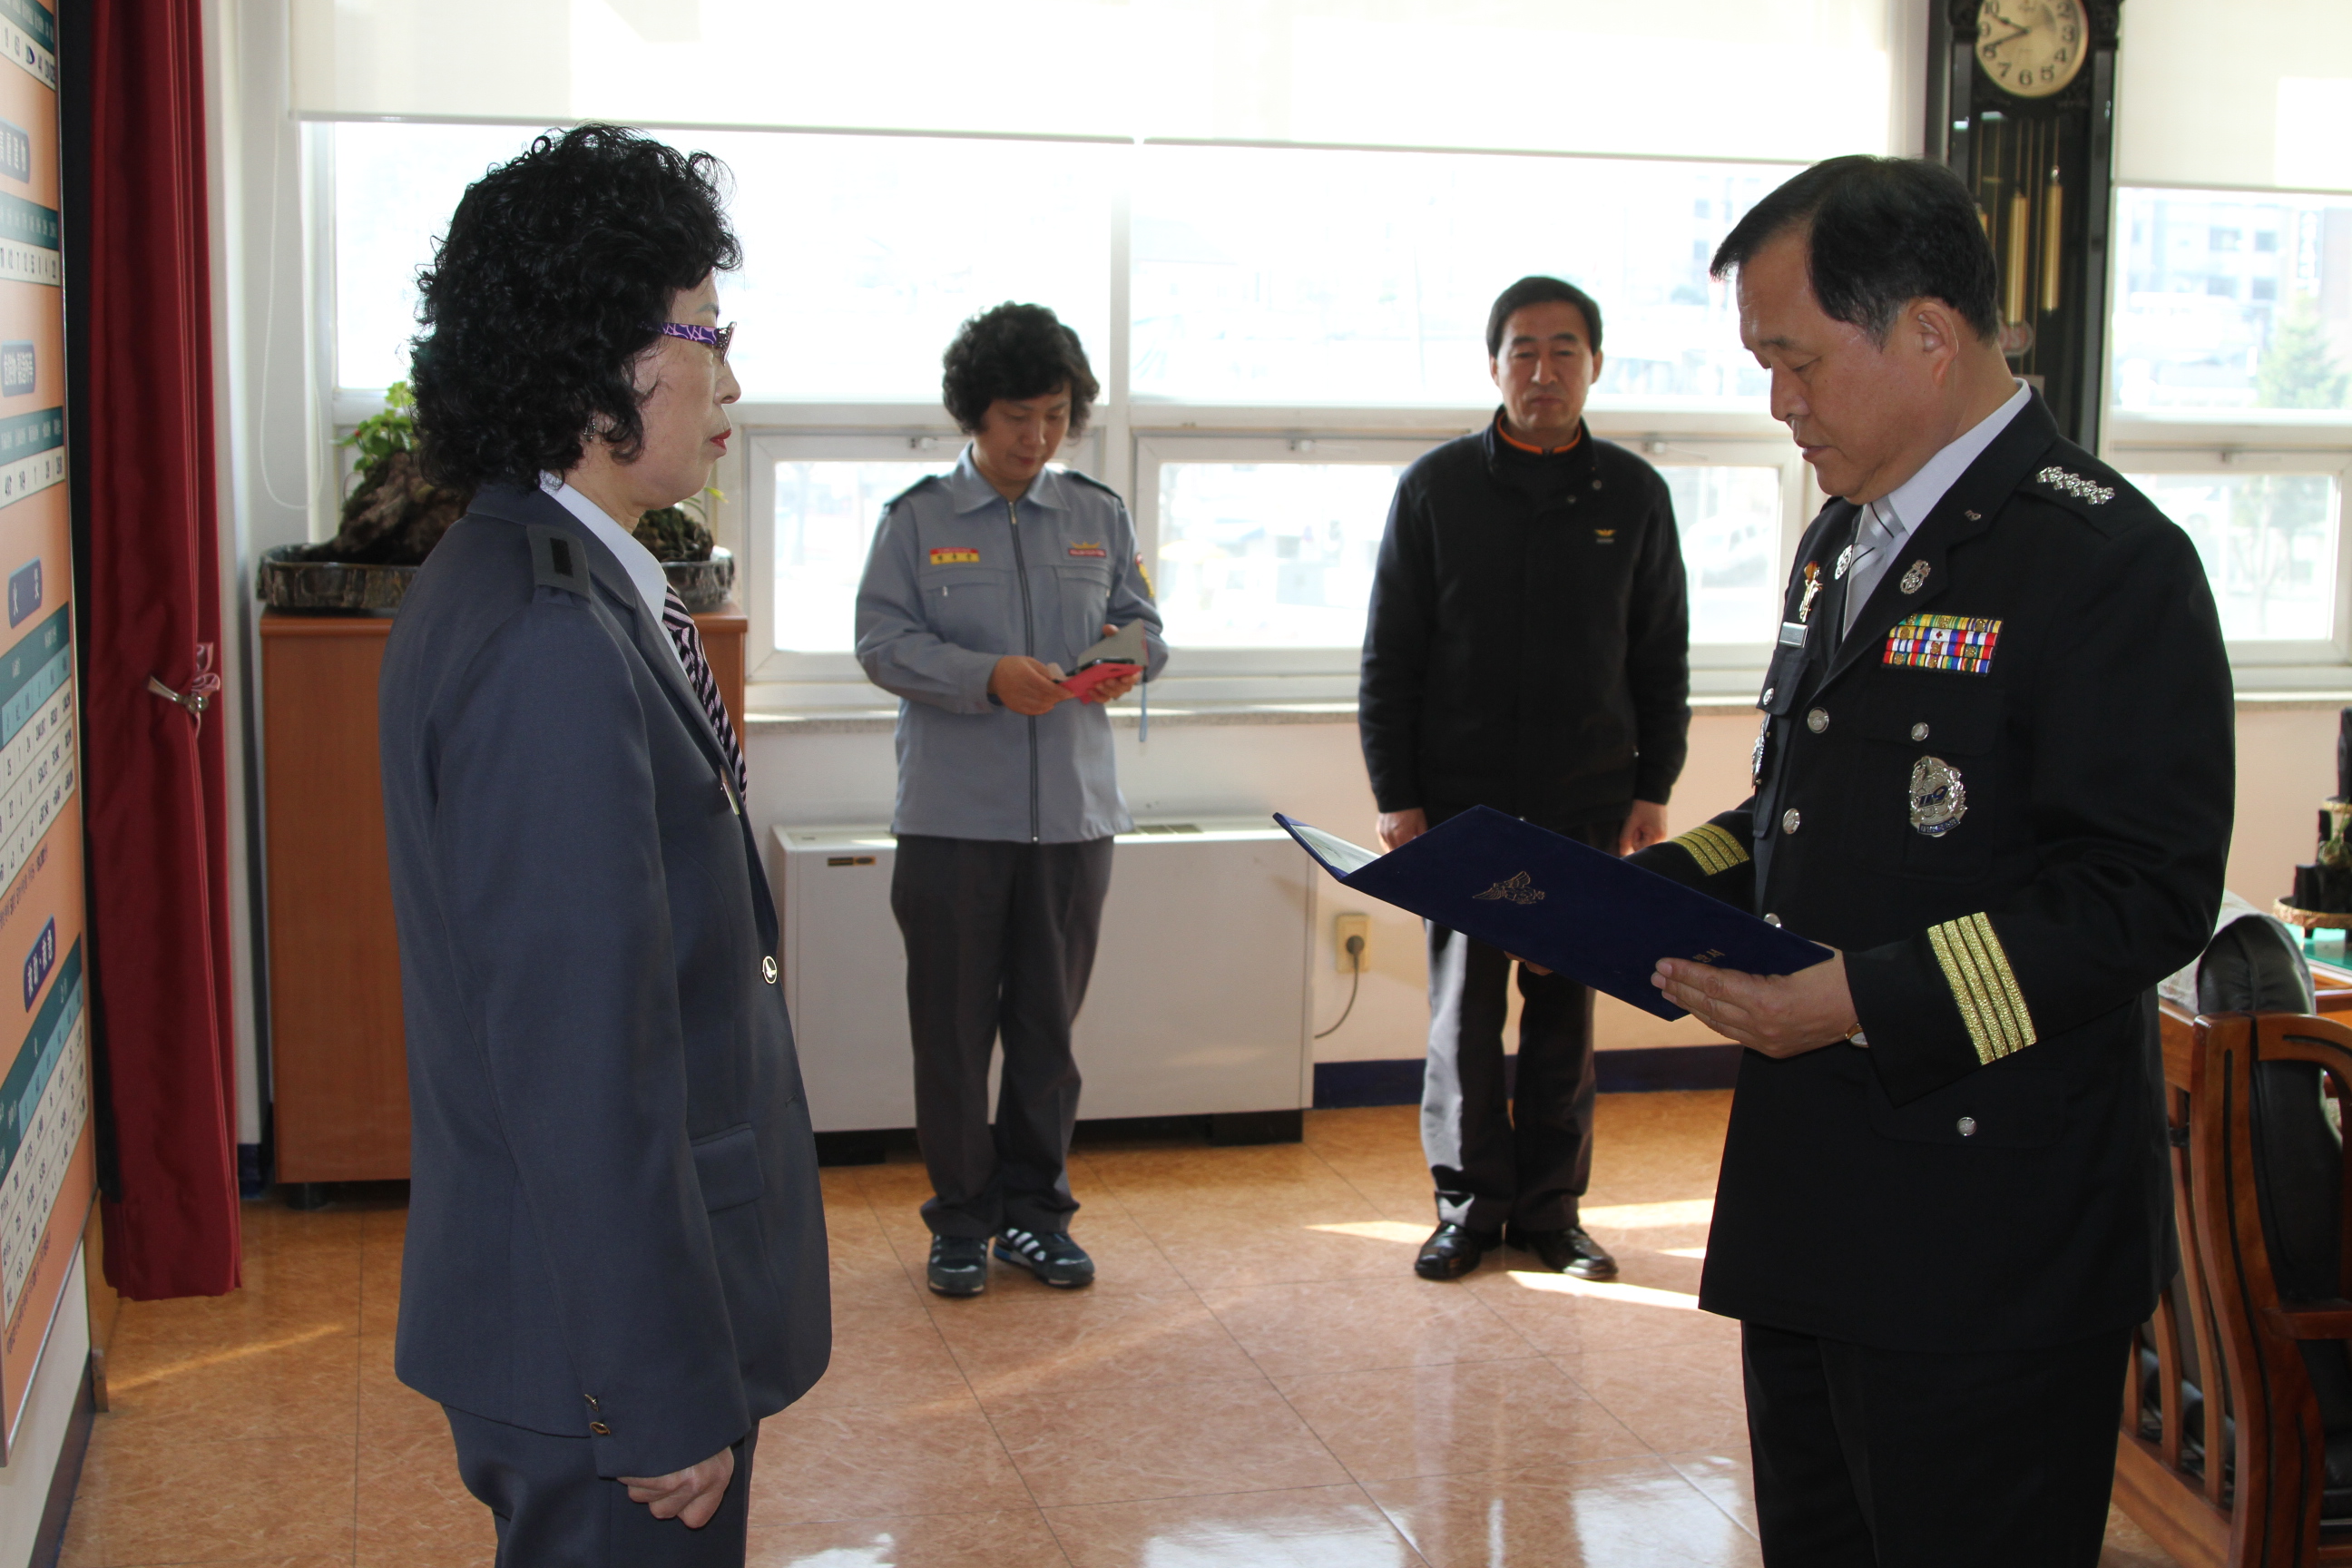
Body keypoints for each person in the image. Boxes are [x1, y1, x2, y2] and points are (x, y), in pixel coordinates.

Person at [1631, 155, 2232, 1565]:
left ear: (1926, 333)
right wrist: (1624, 900)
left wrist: (1859, 999)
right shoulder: (1845, 541)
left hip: (1991, 1237)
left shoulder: (2105, 561)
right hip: (1815, 1206)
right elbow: (1790, 814)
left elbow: (2139, 894)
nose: (1779, 403)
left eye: (1795, 360)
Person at [379, 125, 828, 1567]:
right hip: (602, 1355)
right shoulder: (548, 638)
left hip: (577, 1314)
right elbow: (581, 1057)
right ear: (601, 363)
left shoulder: (534, 571)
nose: (731, 380)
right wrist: (657, 1391)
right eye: (708, 332)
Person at [1359, 275, 1690, 1284]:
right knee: (1463, 1017)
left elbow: (1659, 654)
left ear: (1596, 364)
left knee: (1564, 1014)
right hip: (1460, 806)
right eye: (1524, 352)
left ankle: (1552, 1212)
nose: (1543, 371)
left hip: (1585, 799)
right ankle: (1467, 1209)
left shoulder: (1633, 494)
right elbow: (1391, 654)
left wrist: (1654, 786)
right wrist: (1397, 795)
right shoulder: (1437, 488)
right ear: (1495, 365)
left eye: (1564, 351)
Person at [854, 302, 1167, 1298]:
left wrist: (1126, 659)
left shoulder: (1098, 514)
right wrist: (985, 676)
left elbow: (1144, 624)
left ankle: (1036, 1215)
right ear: (974, 414)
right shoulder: (916, 520)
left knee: (1047, 1033)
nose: (1037, 438)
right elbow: (881, 644)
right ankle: (960, 1219)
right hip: (952, 823)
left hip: (1072, 821)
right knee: (952, 1034)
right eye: (1017, 417)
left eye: (1055, 416)